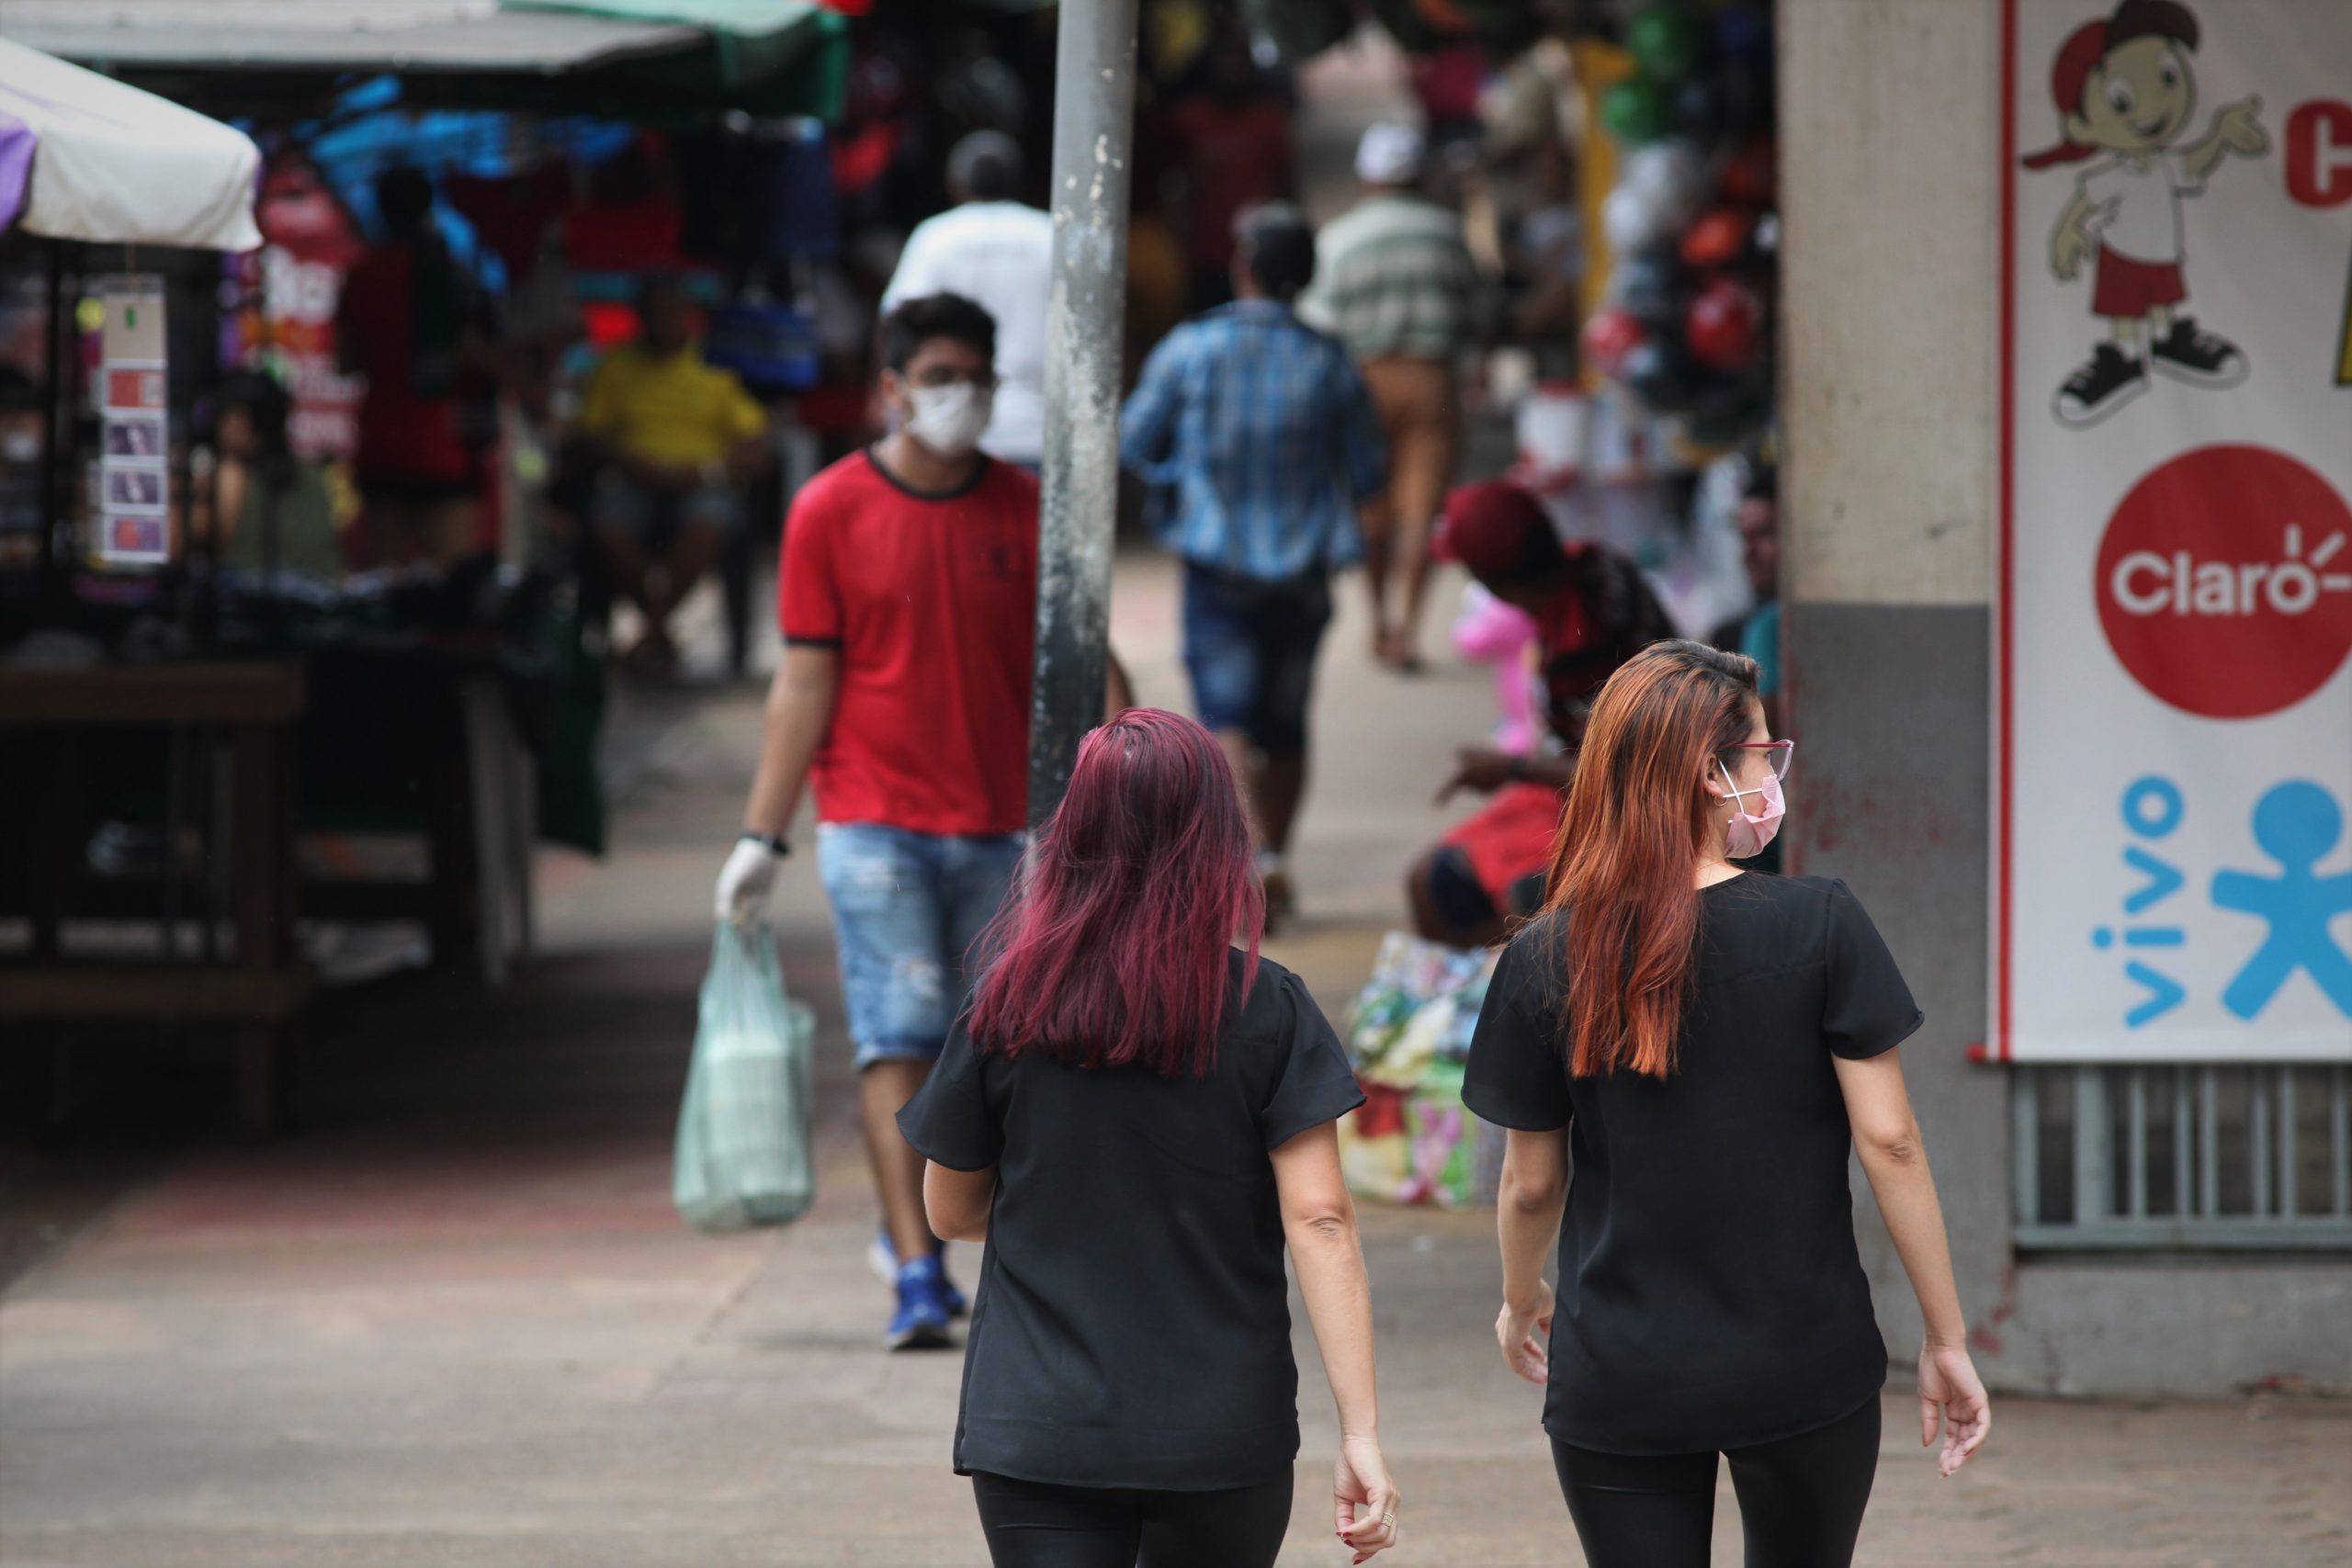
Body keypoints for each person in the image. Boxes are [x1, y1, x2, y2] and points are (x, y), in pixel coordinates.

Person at [1464, 639, 1992, 1568]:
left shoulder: (1548, 953)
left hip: (1620, 1367)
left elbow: (1530, 1187)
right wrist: (1945, 1336)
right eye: (1760, 752)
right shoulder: (1819, 923)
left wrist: (1519, 1301)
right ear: (1712, 775)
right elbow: (1891, 1142)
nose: (1770, 772)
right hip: (1802, 1359)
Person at [897, 707, 1399, 1568]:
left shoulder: (1007, 1005)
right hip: (1219, 1430)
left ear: (1075, 832)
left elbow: (947, 1210)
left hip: (1040, 1425)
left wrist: (1061, 1204)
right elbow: (1320, 1220)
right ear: (1218, 834)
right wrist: (1361, 1432)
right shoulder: (1269, 1007)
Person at [717, 293, 1034, 1350]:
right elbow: (803, 682)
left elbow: (1081, 664)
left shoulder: (1030, 508)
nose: (962, 397)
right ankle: (915, 1268)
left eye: (976, 377)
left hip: (1003, 827)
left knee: (1005, 1051)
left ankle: (1000, 1258)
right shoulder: (828, 512)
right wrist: (762, 838)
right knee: (897, 1043)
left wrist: (1138, 790)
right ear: (890, 389)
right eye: (939, 377)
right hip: (873, 825)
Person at [1120, 202, 1385, 927]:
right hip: (1303, 569)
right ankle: (1273, 858)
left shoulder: (1193, 347)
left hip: (1216, 563)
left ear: (1242, 267)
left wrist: (1181, 479)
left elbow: (1136, 440)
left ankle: (1253, 857)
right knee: (1287, 722)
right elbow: (1367, 470)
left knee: (1226, 716)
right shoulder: (1328, 359)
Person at [1408, 480, 1676, 949]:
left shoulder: (1583, 647)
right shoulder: (1593, 566)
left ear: (1489, 580)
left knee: (1474, 894)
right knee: (1427, 879)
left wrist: (1510, 768)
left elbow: (1626, 775)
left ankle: (1522, 1005)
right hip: (1589, 788)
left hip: (1637, 811)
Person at [1299, 122, 1479, 673]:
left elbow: (1317, 319)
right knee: (1421, 510)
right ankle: (1407, 629)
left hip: (1363, 381)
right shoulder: (1446, 232)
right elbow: (1476, 303)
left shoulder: (1339, 239)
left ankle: (1377, 622)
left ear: (1366, 177)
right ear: (1418, 175)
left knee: (1370, 508)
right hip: (1432, 379)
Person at [576, 275, 771, 676]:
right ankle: (658, 633)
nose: (663, 322)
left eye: (671, 313)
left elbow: (757, 441)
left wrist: (705, 471)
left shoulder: (717, 365)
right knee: (607, 528)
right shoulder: (615, 366)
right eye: (653, 314)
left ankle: (648, 634)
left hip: (701, 481)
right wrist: (634, 465)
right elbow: (587, 438)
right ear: (639, 319)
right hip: (632, 478)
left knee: (707, 524)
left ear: (689, 317)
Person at [338, 165, 493, 570]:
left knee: (384, 584)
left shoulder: (361, 276)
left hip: (380, 442)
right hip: (444, 444)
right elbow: (479, 353)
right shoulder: (451, 273)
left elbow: (345, 362)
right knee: (450, 584)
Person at [882, 131, 1054, 468]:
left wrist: (889, 404)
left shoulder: (936, 237)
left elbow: (895, 324)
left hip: (943, 431)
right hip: (1040, 427)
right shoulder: (1050, 234)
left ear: (956, 185)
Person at [1160, 26, 1297, 313]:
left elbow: (1287, 185)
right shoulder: (1187, 121)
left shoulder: (1269, 118)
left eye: (1240, 59)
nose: (1233, 68)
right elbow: (1170, 189)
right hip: (1204, 259)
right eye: (1226, 59)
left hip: (1260, 260)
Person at [191, 372, 342, 581]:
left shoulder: (231, 475)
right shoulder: (315, 475)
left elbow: (192, 537)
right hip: (321, 598)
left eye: (221, 416)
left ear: (240, 420)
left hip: (253, 602)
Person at [1707, 462, 1783, 733]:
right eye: (1744, 537)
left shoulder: (1769, 627)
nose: (1747, 552)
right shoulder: (1759, 626)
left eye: (1764, 533)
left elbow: (1757, 736)